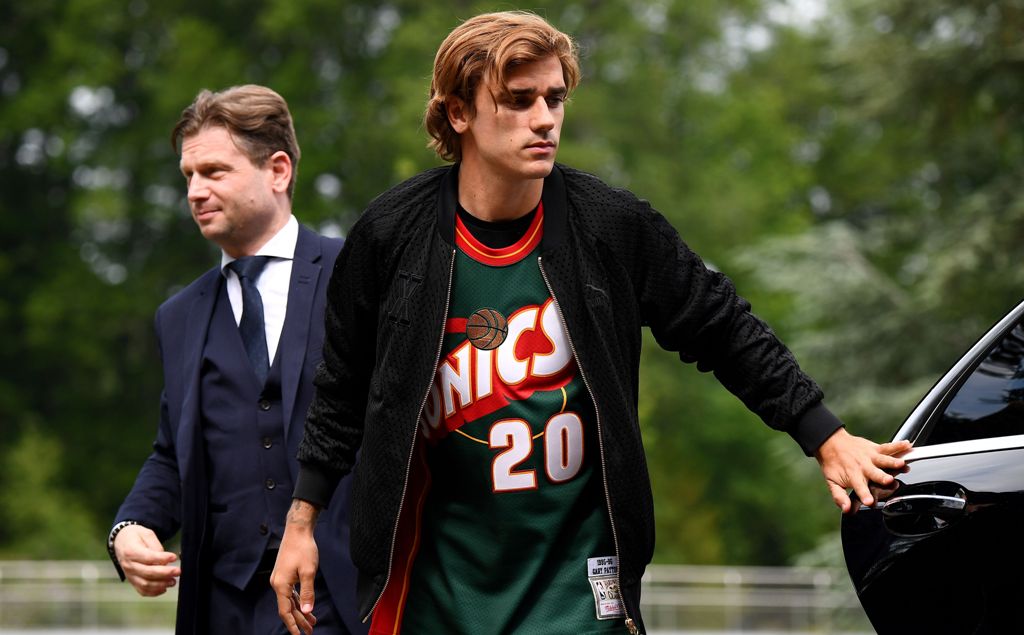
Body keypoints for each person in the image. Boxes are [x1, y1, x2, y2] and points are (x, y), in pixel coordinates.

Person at [271, 12, 911, 635]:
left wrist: (825, 436)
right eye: (518, 100)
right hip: (435, 584)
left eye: (555, 97)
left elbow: (721, 325)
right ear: (458, 113)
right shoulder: (391, 235)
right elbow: (343, 389)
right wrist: (302, 522)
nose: (544, 118)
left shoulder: (610, 224)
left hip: (577, 584)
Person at [108, 84, 364, 635]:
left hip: (345, 600)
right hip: (224, 608)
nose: (195, 192)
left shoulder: (356, 277)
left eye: (215, 172)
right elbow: (171, 455)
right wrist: (129, 527)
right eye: (189, 177)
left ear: (277, 171)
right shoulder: (177, 316)